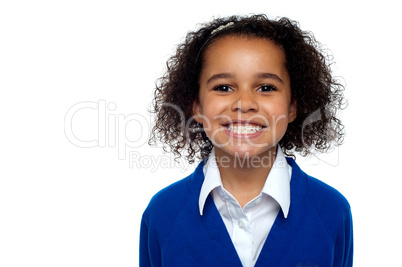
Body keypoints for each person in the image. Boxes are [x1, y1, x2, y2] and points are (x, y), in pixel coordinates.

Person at [140, 14, 353, 267]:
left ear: (294, 105)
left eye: (266, 88)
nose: (244, 104)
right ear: (196, 106)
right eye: (223, 87)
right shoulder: (163, 213)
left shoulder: (331, 211)